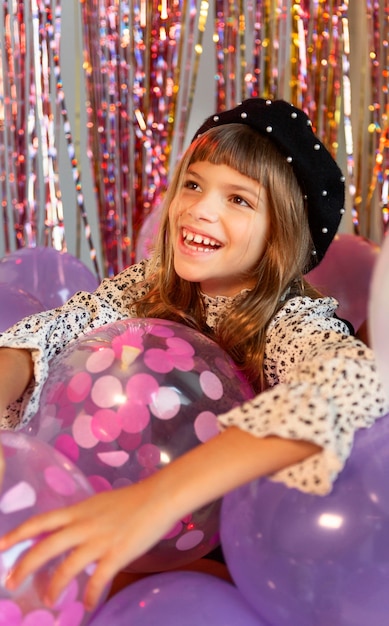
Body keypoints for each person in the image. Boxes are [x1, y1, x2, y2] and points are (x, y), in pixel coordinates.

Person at [0, 97, 387, 612]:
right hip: (122, 525)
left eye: (240, 200)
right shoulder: (152, 286)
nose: (200, 209)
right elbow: (52, 335)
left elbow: (350, 382)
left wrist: (148, 504)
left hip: (246, 563)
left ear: (281, 233)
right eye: (194, 184)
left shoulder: (291, 322)